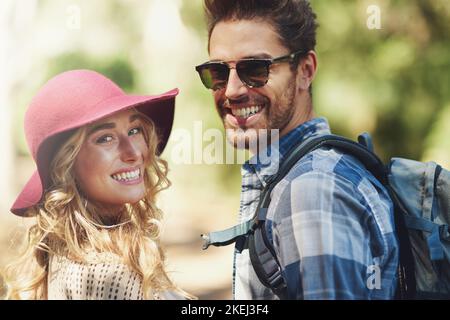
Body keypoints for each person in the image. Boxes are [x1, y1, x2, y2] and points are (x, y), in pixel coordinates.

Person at [195, 0, 399, 299]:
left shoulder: (312, 189)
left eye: (255, 69)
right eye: (217, 73)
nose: (232, 90)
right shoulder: (305, 175)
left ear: (305, 70)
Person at [4, 69, 192, 300]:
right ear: (65, 165)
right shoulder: (109, 275)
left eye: (134, 130)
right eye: (105, 138)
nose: (133, 153)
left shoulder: (59, 252)